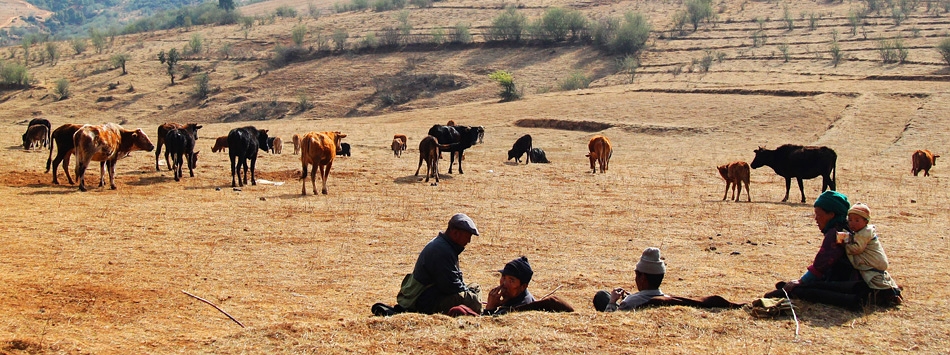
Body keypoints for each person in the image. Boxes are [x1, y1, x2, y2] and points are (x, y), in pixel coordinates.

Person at [765, 191, 870, 310]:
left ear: (831, 214)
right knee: (788, 287)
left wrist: (802, 281)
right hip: (856, 280)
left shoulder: (836, 234)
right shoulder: (846, 228)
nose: (816, 219)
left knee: (795, 292)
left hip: (846, 283)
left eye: (819, 215)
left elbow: (822, 264)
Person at [396, 213, 483, 315]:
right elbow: (451, 286)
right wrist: (468, 296)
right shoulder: (441, 250)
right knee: (473, 301)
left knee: (475, 287)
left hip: (433, 294)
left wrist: (467, 292)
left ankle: (475, 306)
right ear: (455, 233)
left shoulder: (445, 245)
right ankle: (479, 310)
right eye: (467, 236)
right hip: (425, 301)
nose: (469, 241)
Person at [839, 203, 903, 307]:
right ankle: (893, 289)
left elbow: (857, 249)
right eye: (850, 220)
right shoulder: (860, 232)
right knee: (878, 278)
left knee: (874, 279)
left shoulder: (865, 233)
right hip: (874, 262)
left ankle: (892, 294)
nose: (852, 223)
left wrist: (844, 245)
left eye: (857, 220)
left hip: (873, 261)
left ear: (866, 221)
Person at [595, 247, 668, 312]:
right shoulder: (667, 299)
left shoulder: (629, 303)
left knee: (601, 296)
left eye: (637, 275)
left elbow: (610, 320)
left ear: (643, 278)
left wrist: (612, 302)